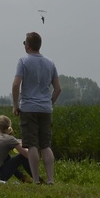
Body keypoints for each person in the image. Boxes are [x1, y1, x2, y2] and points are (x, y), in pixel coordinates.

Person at [12, 31, 61, 185]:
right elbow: (58, 88)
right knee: (45, 145)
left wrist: (15, 105)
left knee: (32, 144)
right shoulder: (50, 62)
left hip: (29, 108)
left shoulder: (23, 61)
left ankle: (35, 179)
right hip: (45, 108)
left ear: (28, 45)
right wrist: (49, 103)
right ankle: (51, 179)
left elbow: (16, 84)